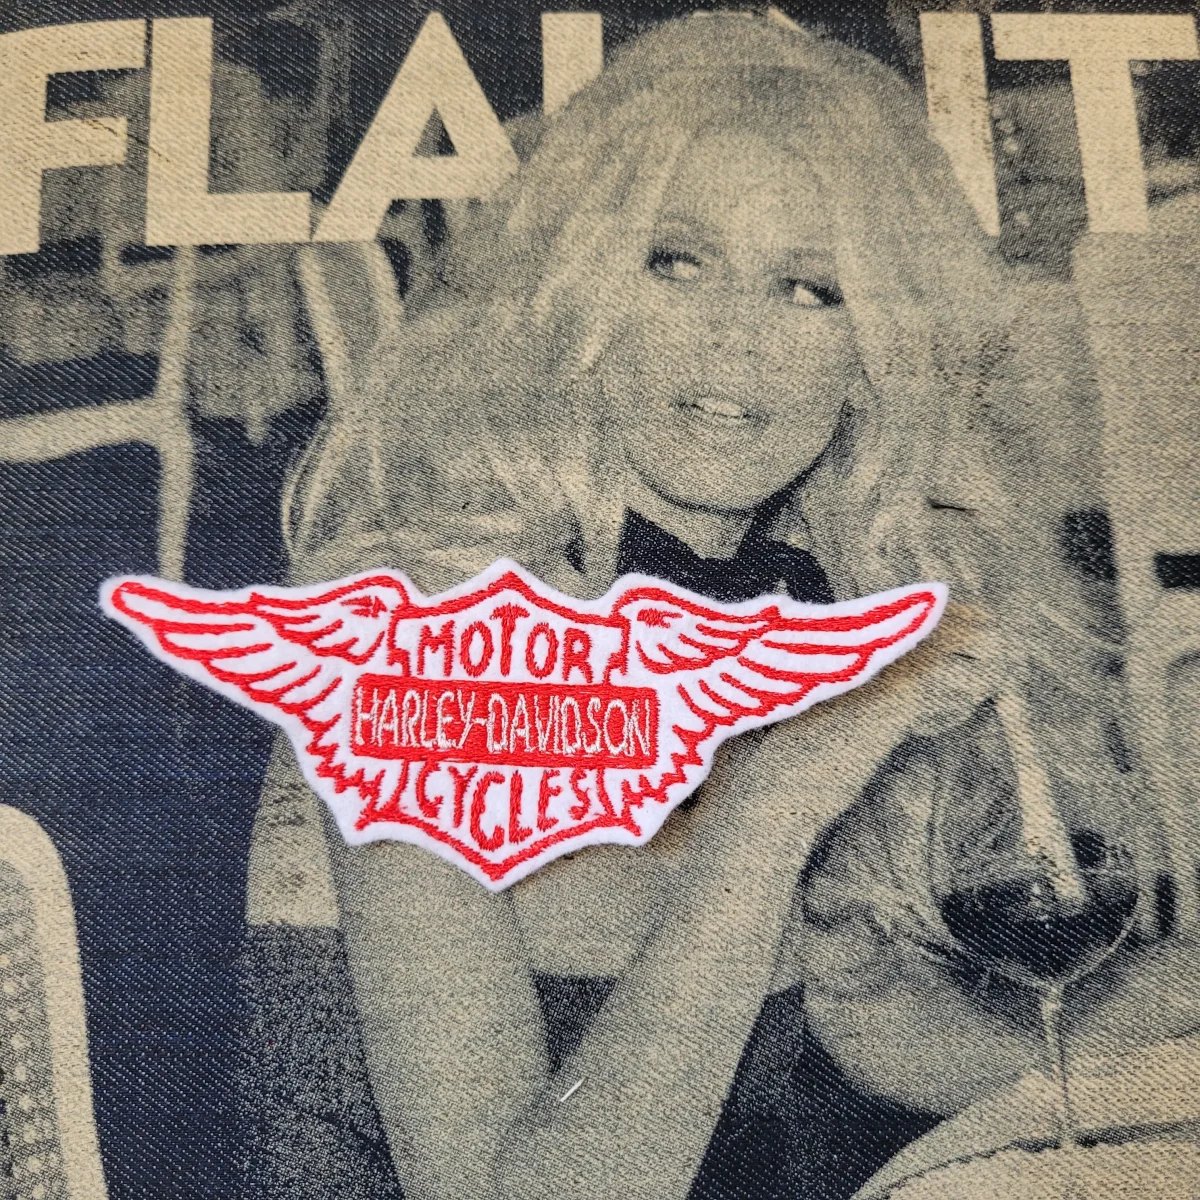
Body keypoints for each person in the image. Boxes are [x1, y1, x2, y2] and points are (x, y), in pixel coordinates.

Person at [249, 12, 1157, 1199]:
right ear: (576, 292)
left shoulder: (791, 594)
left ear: (874, 354)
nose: (737, 340)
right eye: (676, 263)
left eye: (809, 289)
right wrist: (776, 801)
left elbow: (873, 1028)